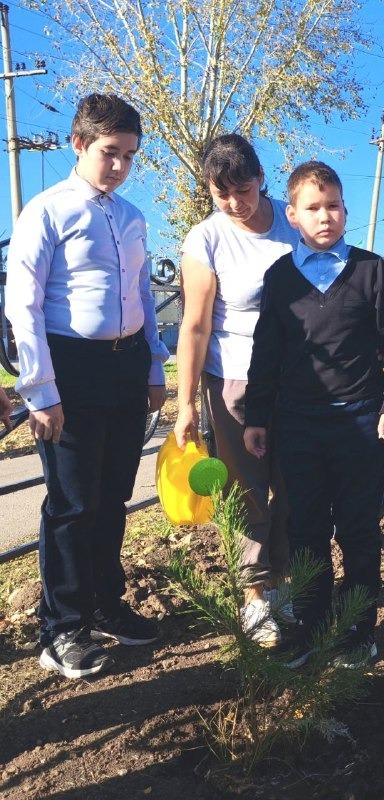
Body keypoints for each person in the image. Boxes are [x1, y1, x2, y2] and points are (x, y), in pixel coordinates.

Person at [5, 93, 168, 679]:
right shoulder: (45, 211)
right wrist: (41, 389)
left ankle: (104, 603)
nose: (121, 165)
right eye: (110, 153)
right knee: (72, 503)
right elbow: (22, 302)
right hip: (69, 367)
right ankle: (62, 627)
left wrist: (153, 367)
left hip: (125, 368)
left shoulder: (131, 217)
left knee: (113, 495)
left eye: (129, 155)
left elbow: (145, 296)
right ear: (78, 144)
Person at [244, 161, 384, 666]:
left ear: (345, 210)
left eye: (334, 206)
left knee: (359, 528)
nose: (326, 217)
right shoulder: (279, 278)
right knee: (306, 530)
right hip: (298, 427)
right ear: (292, 215)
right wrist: (257, 416)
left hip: (362, 423)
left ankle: (358, 627)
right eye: (313, 208)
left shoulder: (371, 271)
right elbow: (265, 353)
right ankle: (313, 624)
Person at [174, 134, 300, 649]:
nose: (234, 203)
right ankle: (253, 596)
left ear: (260, 177)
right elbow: (196, 327)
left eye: (243, 189)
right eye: (220, 192)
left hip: (297, 376)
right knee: (247, 488)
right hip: (234, 379)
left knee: (293, 482)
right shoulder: (204, 239)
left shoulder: (293, 221)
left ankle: (287, 582)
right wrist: (185, 404)